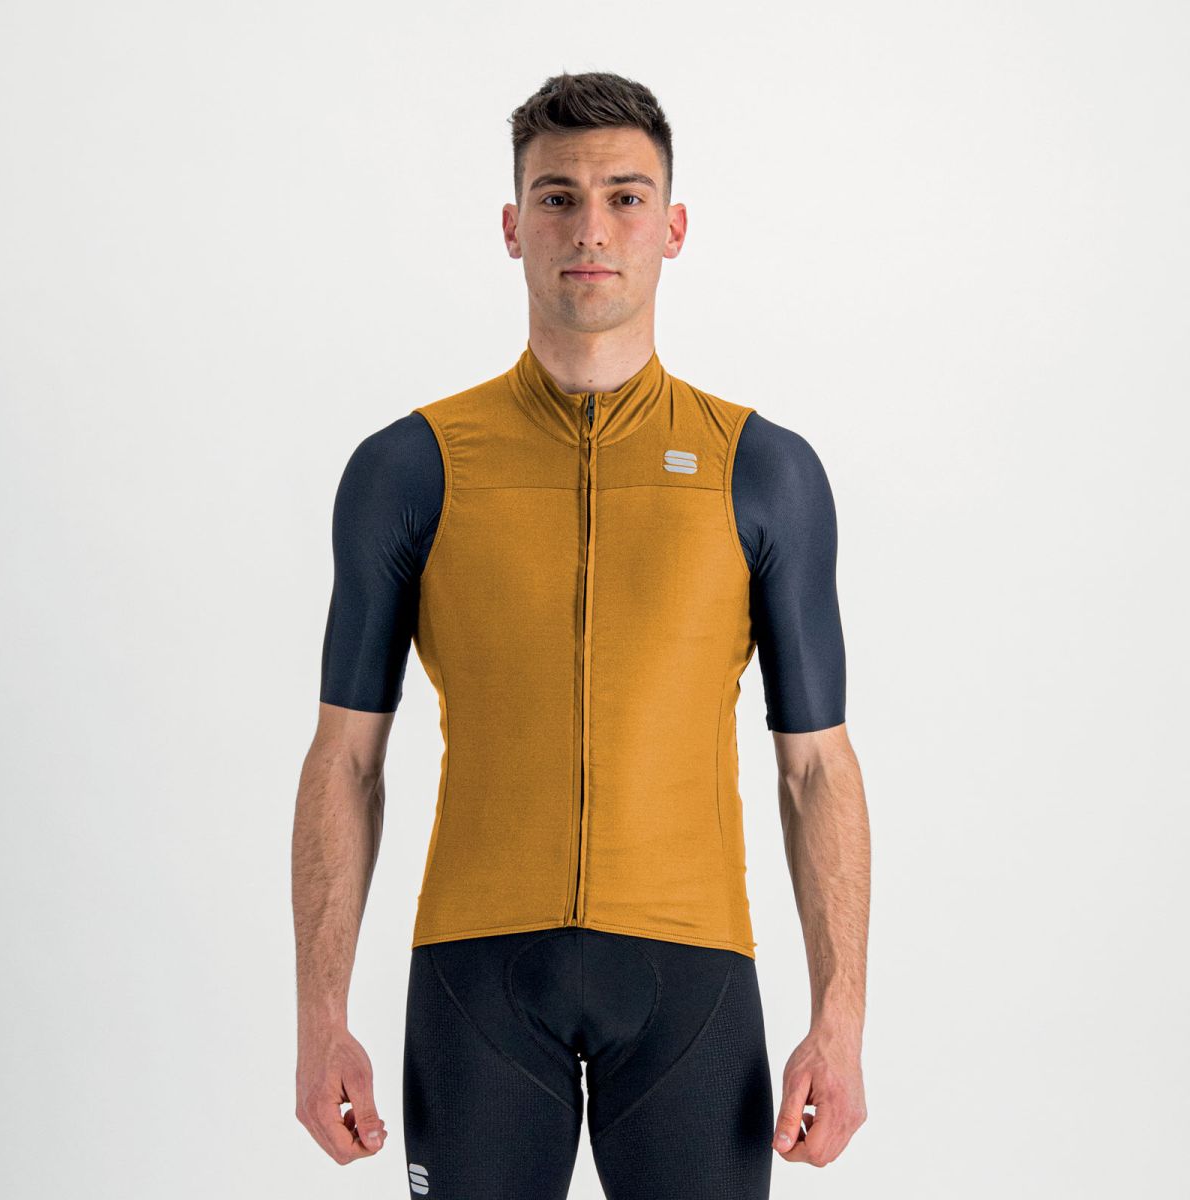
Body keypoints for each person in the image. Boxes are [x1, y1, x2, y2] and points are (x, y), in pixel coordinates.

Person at [292, 70, 870, 1198]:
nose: (591, 229)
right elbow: (345, 758)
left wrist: (839, 1017)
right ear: (513, 227)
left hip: (693, 980)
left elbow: (816, 767)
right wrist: (321, 1017)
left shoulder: (763, 471)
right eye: (557, 197)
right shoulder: (411, 468)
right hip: (476, 979)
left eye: (625, 197)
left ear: (674, 227)